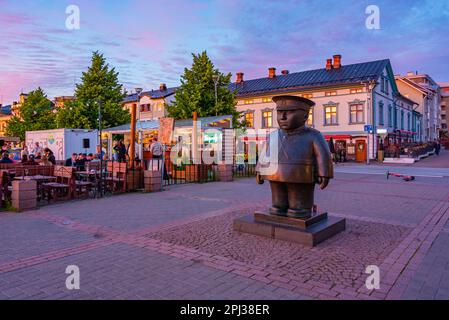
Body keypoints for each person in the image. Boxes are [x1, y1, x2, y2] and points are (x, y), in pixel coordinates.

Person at [256, 95, 333, 219]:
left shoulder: (314, 136)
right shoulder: (273, 135)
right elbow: (266, 153)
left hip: (300, 175)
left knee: (298, 198)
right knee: (277, 196)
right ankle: (278, 206)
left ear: (305, 116)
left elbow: (323, 155)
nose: (283, 117)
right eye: (280, 112)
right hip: (275, 174)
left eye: (290, 112)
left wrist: (325, 173)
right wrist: (260, 170)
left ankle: (300, 208)